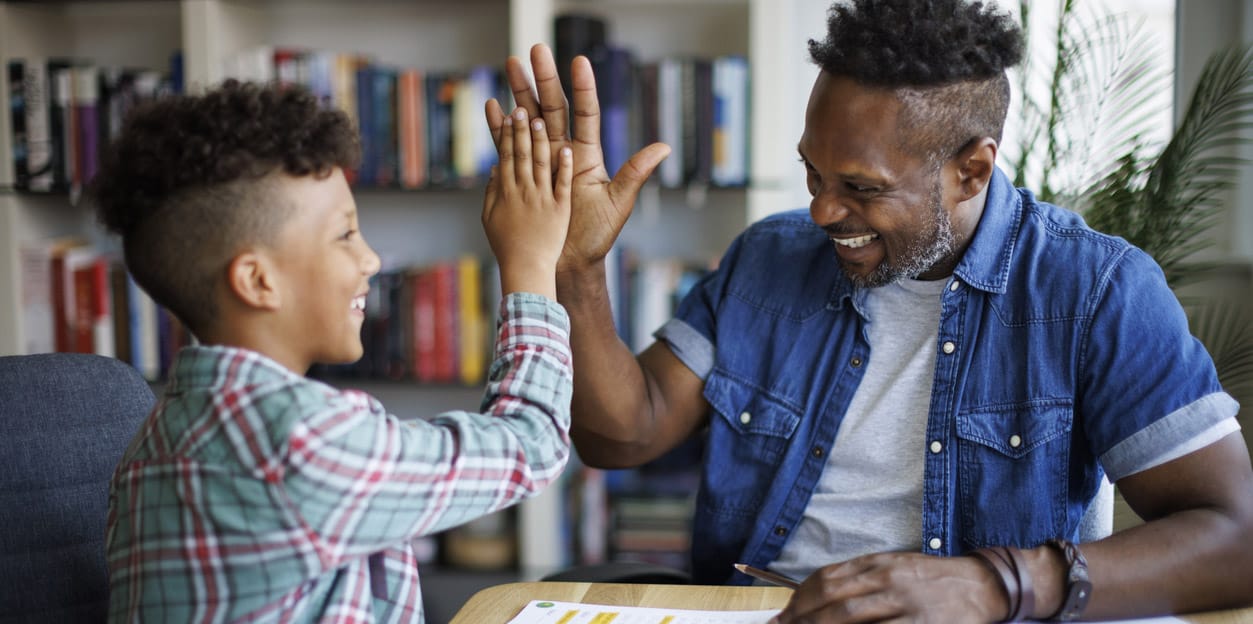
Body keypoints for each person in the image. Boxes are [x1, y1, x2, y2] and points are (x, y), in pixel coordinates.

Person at [485, 0, 1253, 620]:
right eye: (812, 173)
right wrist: (575, 267)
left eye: (860, 187)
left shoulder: (1095, 290)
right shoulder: (768, 258)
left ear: (971, 169)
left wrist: (992, 585)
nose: (822, 210)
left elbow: (1235, 539)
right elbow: (622, 435)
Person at [91, 80, 575, 622]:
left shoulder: (149, 446)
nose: (371, 260)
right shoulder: (301, 439)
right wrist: (531, 264)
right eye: (345, 235)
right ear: (258, 281)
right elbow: (532, 442)